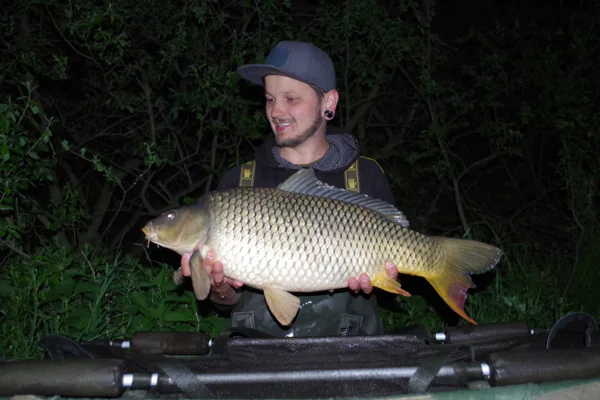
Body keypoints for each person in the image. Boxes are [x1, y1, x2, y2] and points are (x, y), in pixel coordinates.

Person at [180, 41, 406, 337]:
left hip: (349, 350)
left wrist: (382, 278)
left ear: (328, 103)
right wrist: (220, 288)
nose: (276, 111)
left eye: (291, 98)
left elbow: (392, 269)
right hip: (259, 350)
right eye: (270, 99)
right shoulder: (239, 184)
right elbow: (225, 303)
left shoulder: (364, 176)